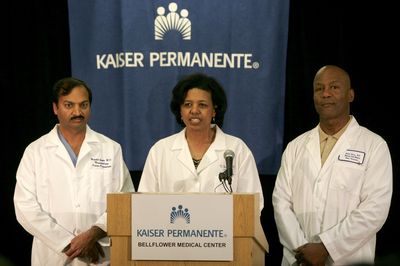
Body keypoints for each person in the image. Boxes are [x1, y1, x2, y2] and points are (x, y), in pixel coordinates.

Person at [272, 65, 393, 265]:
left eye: (334, 87)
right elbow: (281, 202)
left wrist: (326, 247)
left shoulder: (374, 145)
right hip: (299, 259)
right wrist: (304, 250)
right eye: (319, 88)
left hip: (348, 259)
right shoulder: (295, 147)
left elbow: (375, 208)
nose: (325, 93)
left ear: (350, 95)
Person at [14, 77, 135, 265]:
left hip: (99, 254)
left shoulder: (110, 149)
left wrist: (94, 233)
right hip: (52, 256)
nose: (77, 112)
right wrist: (68, 244)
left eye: (83, 105)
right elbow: (25, 208)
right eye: (69, 105)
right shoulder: (35, 151)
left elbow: (125, 200)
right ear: (55, 108)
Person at [138, 72, 264, 213]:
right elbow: (144, 203)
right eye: (187, 104)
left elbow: (254, 204)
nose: (194, 110)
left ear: (214, 110)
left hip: (224, 233)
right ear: (180, 110)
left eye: (202, 105)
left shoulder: (237, 148)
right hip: (171, 232)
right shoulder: (160, 150)